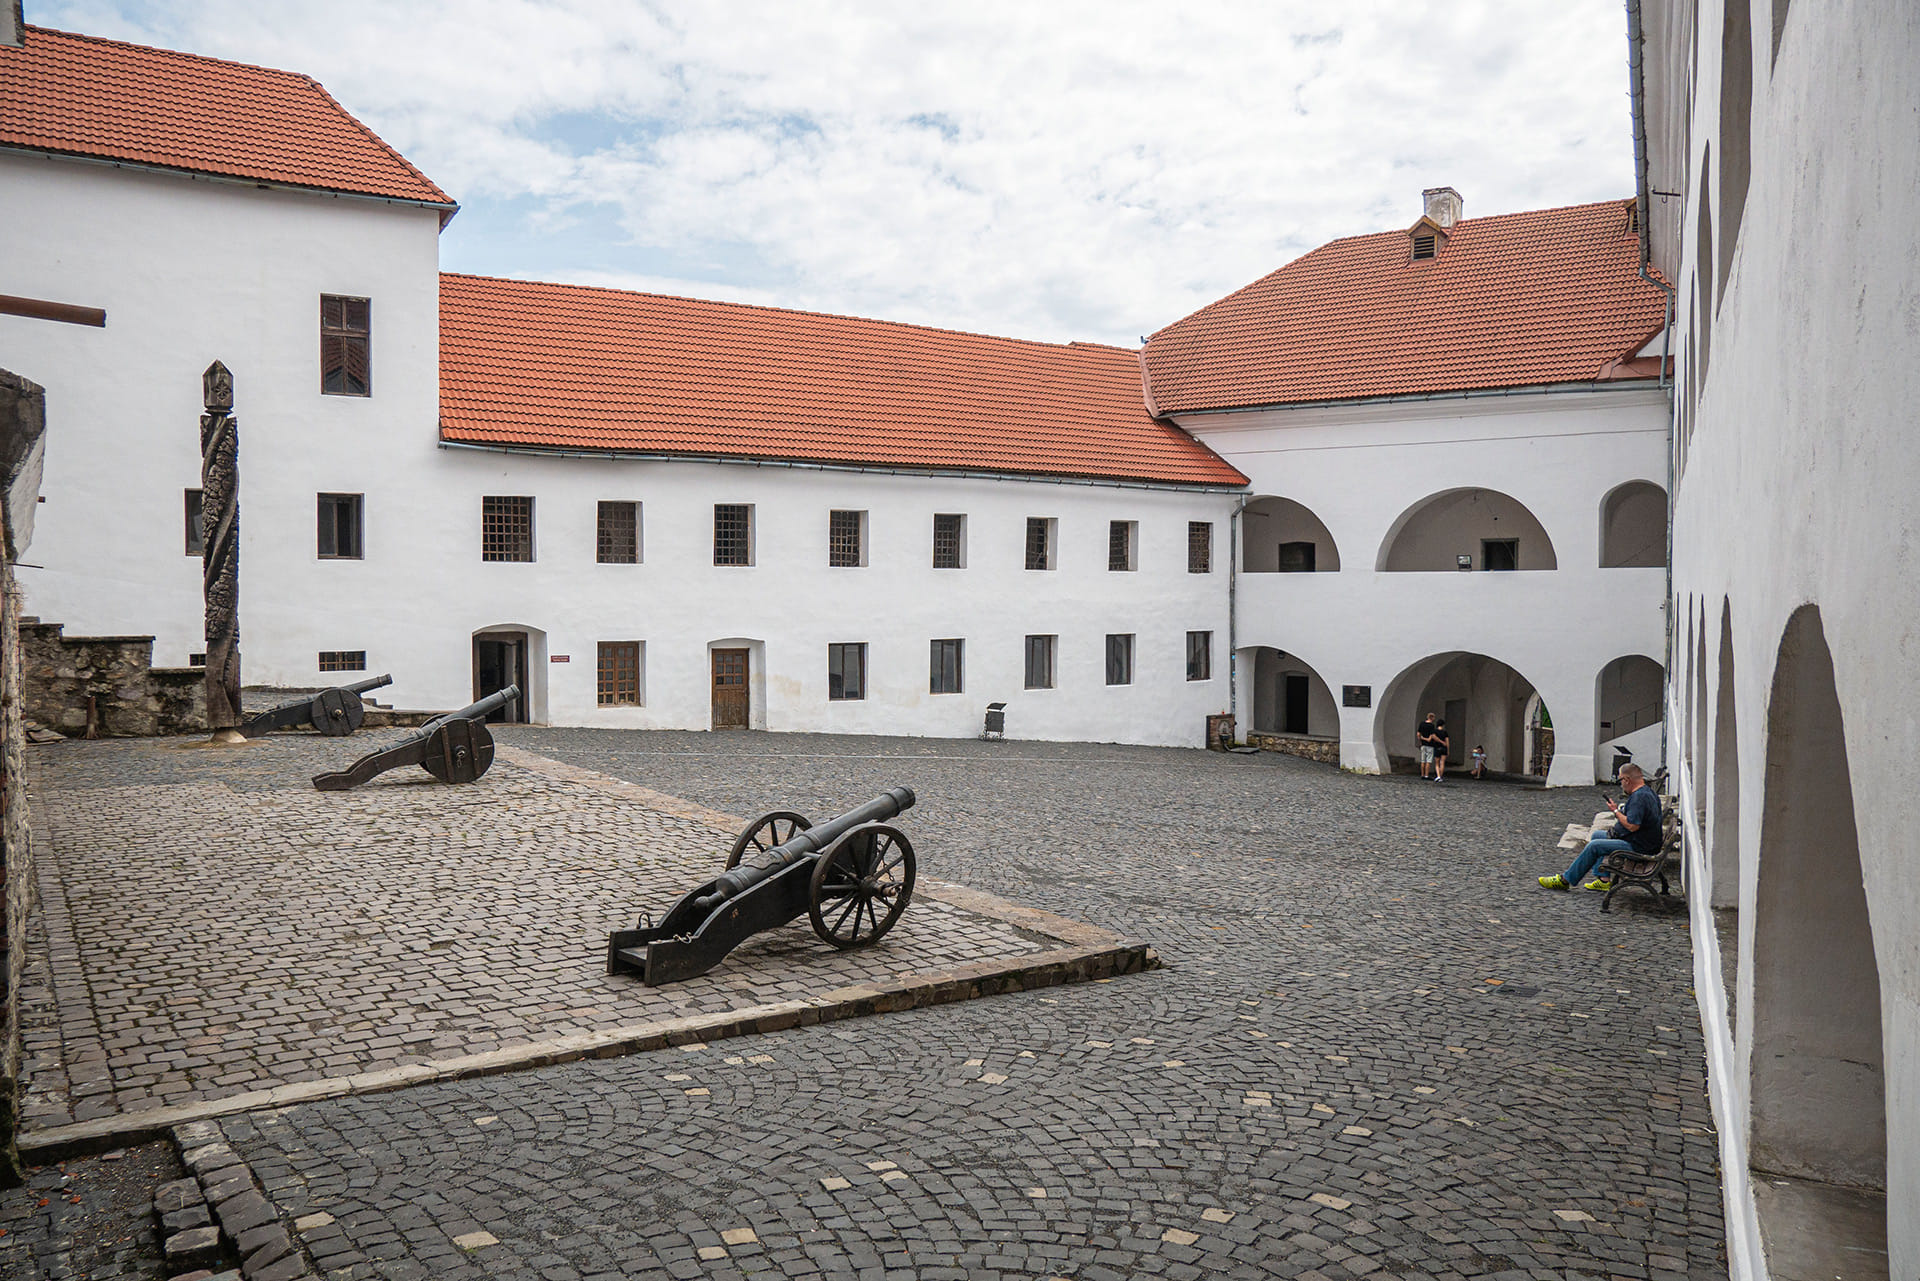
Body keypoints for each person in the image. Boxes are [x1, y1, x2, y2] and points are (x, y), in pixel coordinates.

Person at [1538, 762, 1663, 891]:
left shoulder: (1639, 798)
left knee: (1594, 846)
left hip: (1640, 847)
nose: (1621, 785)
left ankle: (1565, 880)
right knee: (1597, 835)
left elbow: (1632, 826)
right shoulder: (1647, 792)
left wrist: (1616, 811)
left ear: (1627, 780)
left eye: (1620, 780)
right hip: (1645, 842)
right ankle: (1603, 880)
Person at [1416, 713, 1439, 779]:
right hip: (1430, 745)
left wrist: (1421, 740)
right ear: (1432, 718)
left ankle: (1422, 775)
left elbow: (1418, 734)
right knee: (1428, 761)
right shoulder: (1431, 725)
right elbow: (1432, 736)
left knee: (1423, 760)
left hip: (1423, 744)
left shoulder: (1422, 724)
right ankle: (1426, 775)